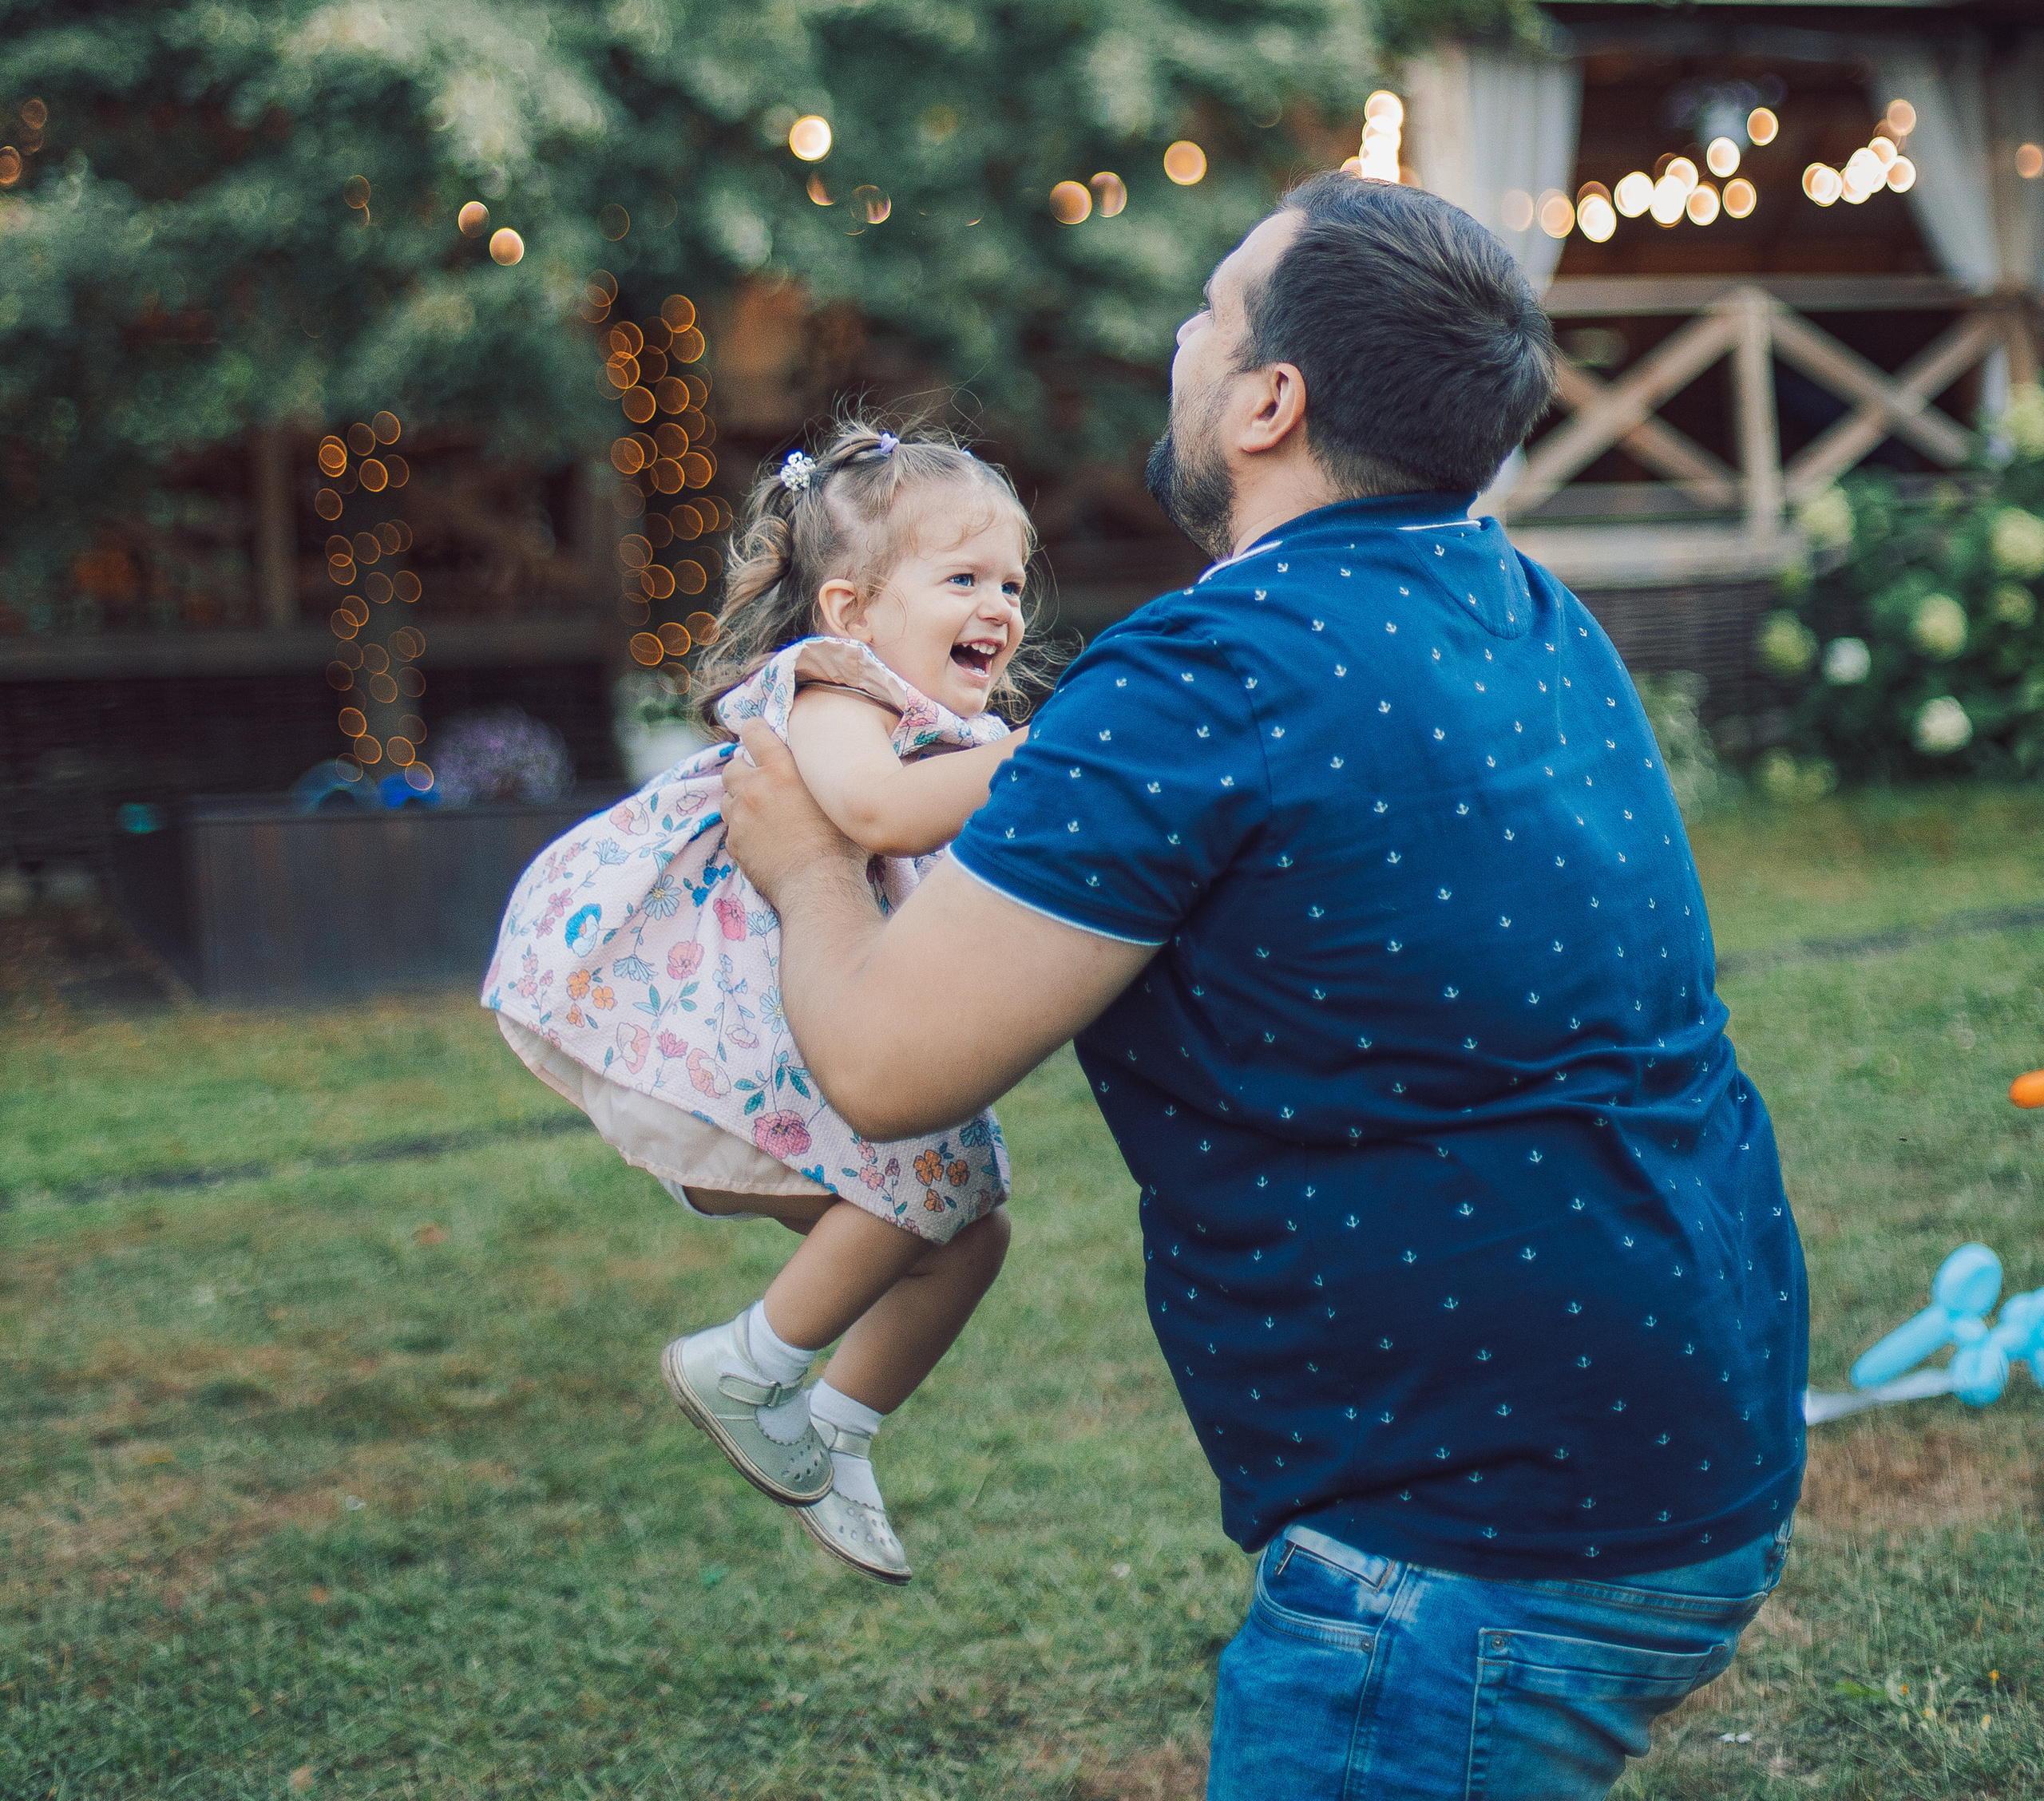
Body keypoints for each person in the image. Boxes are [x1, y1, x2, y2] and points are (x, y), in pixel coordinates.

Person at [723, 174, 1807, 1799]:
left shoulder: (1200, 678)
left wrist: (805, 865)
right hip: (1693, 1445)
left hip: (1469, 1544)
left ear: (1267, 400)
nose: (1178, 336)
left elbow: (884, 1063)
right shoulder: (1526, 608)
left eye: (1209, 311)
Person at [483, 414, 1040, 1582]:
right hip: (747, 1027)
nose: (1000, 607)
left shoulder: (954, 728)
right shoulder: (832, 694)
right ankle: (745, 1361)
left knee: (971, 1230)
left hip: (841, 1009)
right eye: (963, 579)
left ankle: (835, 1433)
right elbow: (878, 816)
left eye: (1012, 582)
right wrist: (1054, 751)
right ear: (849, 610)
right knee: (908, 1199)